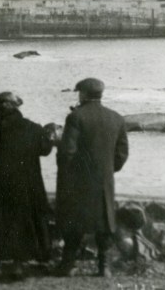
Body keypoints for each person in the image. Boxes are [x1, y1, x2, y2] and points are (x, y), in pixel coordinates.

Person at [0, 91, 56, 281]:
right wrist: (50, 136)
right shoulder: (33, 128)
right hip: (27, 184)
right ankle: (18, 266)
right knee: (22, 222)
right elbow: (45, 150)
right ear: (17, 107)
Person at [55, 78, 129, 277]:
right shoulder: (117, 118)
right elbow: (122, 154)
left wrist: (71, 174)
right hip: (104, 181)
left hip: (79, 181)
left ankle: (67, 265)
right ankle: (104, 267)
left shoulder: (76, 117)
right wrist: (107, 170)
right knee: (104, 224)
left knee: (74, 223)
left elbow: (67, 153)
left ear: (83, 94)